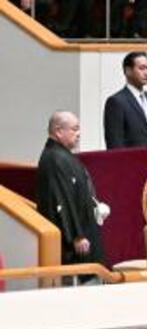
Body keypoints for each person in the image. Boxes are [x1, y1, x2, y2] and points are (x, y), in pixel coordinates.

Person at [36, 111, 105, 274]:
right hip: (74, 245)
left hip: (84, 232)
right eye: (74, 129)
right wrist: (76, 235)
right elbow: (61, 198)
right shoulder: (54, 159)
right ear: (59, 131)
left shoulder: (62, 156)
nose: (78, 134)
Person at [104, 52, 147, 149]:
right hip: (131, 158)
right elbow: (114, 143)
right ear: (128, 71)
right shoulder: (116, 101)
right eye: (142, 68)